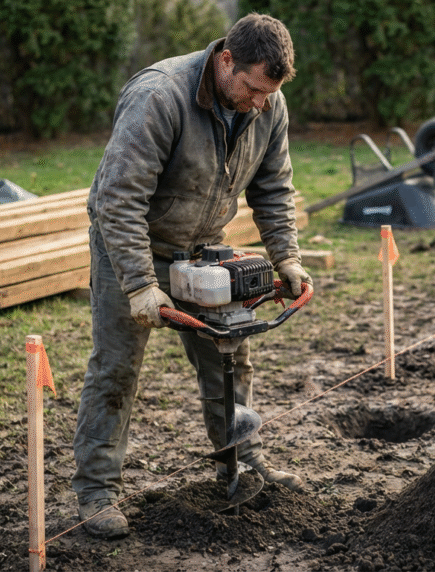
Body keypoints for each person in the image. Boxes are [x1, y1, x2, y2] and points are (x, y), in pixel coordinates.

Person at [72, 13, 312, 540]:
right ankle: (95, 492)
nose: (258, 103)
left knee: (229, 355)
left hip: (203, 245)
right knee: (116, 366)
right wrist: (139, 283)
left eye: (267, 94)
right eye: (250, 88)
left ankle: (242, 463)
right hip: (132, 245)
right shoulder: (160, 96)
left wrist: (287, 257)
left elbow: (272, 188)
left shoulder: (266, 105)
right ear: (226, 60)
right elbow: (119, 199)